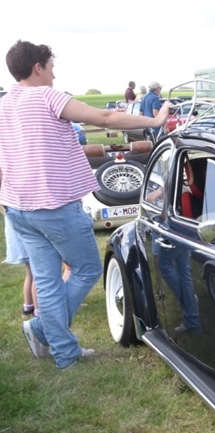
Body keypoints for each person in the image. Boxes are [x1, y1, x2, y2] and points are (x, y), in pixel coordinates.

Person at [0, 40, 171, 369]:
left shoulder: (5, 103)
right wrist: (154, 121)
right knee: (88, 268)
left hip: (19, 207)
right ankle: (42, 329)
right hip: (54, 205)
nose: (54, 75)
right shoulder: (48, 96)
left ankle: (64, 352)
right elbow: (105, 118)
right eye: (51, 67)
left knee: (47, 281)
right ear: (37, 67)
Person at [2, 207, 37, 315]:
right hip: (29, 239)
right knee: (39, 275)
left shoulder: (7, 203)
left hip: (19, 241)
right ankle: (39, 310)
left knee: (30, 273)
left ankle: (28, 306)